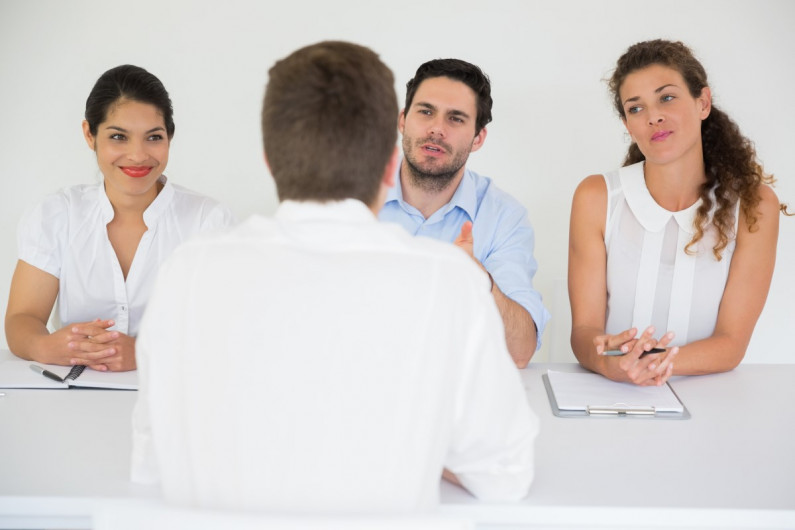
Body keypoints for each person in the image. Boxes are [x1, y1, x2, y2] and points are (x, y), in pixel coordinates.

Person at [131, 41, 538, 512]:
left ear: (269, 158)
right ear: (390, 164)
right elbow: (506, 476)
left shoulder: (186, 271)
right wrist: (415, 438)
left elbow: (151, 461)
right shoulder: (447, 281)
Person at [569, 39, 787, 386]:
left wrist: (647, 363)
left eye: (666, 97)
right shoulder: (596, 197)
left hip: (709, 401)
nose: (653, 116)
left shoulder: (754, 205)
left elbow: (731, 344)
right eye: (635, 108)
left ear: (703, 103)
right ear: (627, 124)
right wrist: (612, 363)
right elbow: (583, 333)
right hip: (612, 394)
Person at [4, 65, 233, 372]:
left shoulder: (208, 220)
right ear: (89, 134)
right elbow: (22, 319)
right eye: (119, 137)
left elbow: (223, 334)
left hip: (174, 403)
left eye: (154, 137)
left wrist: (145, 353)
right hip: (72, 402)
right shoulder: (58, 215)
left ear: (170, 136)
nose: (138, 155)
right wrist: (46, 345)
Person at [379, 59, 549, 368]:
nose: (437, 129)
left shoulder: (505, 217)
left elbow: (520, 351)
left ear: (478, 138)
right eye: (425, 111)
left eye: (456, 119)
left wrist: (479, 279)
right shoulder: (352, 197)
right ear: (403, 120)